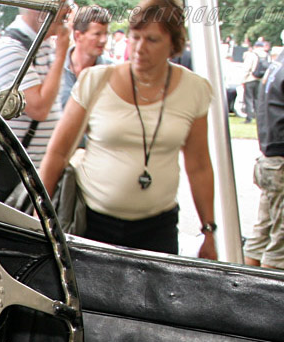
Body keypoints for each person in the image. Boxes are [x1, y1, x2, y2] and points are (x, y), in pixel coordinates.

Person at [39, 0, 216, 258]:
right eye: (135, 37)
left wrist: (208, 231)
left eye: (152, 40)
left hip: (158, 227)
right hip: (93, 223)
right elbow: (57, 152)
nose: (140, 48)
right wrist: (39, 214)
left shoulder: (195, 89)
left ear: (173, 44)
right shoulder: (96, 80)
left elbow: (199, 165)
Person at [0, 3, 70, 200]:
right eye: (63, 3)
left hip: (31, 173)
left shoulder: (41, 45)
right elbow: (39, 108)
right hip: (11, 174)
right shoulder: (9, 49)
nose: (69, 9)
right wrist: (62, 54)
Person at [244, 34, 284, 269]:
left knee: (261, 239)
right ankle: (270, 304)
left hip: (273, 163)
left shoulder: (280, 61)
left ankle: (240, 298)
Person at [58, 5, 111, 109]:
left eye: (106, 34)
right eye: (97, 34)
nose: (103, 40)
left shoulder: (111, 72)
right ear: (78, 36)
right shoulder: (55, 67)